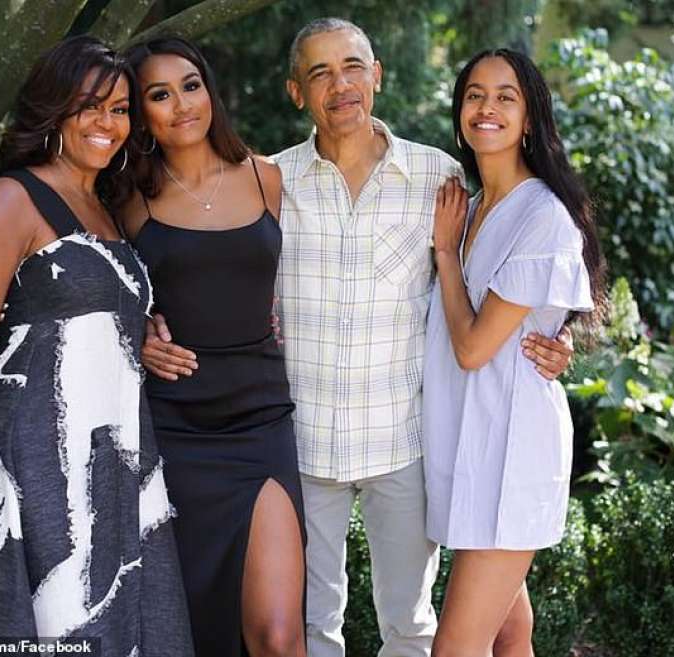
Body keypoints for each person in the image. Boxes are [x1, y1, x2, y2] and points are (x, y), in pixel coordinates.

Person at [143, 19, 574, 657]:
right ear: (297, 92)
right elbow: (211, 265)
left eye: (351, 67)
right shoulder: (270, 182)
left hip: (403, 442)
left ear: (376, 76)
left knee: (411, 626)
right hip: (302, 443)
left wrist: (557, 335)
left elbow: (516, 261)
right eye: (319, 73)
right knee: (314, 629)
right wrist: (146, 323)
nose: (339, 85)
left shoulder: (441, 180)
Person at [0, 36, 193, 655]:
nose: (108, 123)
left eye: (121, 109)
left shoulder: (105, 208)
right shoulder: (9, 201)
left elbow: (94, 324)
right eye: (90, 106)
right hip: (36, 460)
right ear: (54, 110)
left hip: (115, 456)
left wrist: (144, 337)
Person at [115, 37, 306, 657]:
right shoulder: (128, 199)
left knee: (278, 635)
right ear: (141, 112)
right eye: (159, 95)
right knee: (195, 629)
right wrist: (136, 333)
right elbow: (97, 292)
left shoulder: (266, 176)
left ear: (210, 91)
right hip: (175, 426)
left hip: (261, 420)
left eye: (190, 85)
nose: (181, 105)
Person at [424, 49, 605, 657]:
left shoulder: (541, 217)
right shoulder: (471, 209)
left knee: (455, 648)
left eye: (506, 96)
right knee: (509, 630)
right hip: (471, 442)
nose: (488, 108)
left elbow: (474, 348)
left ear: (529, 118)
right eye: (475, 94)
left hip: (512, 451)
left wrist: (446, 256)